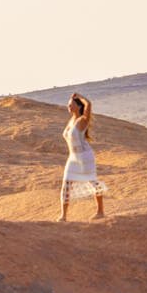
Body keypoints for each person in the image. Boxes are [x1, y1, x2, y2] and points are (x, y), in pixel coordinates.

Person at [59, 93, 107, 222]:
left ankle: (100, 211)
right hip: (73, 157)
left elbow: (89, 104)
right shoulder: (71, 120)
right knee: (66, 183)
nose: (68, 105)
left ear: (78, 105)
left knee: (92, 181)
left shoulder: (82, 120)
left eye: (71, 103)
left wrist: (80, 96)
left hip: (85, 156)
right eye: (68, 103)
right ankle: (63, 216)